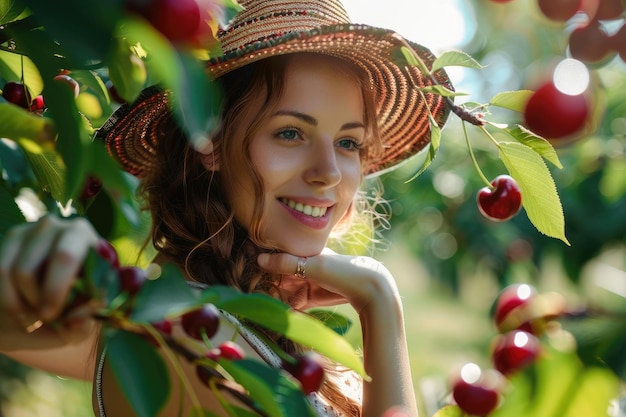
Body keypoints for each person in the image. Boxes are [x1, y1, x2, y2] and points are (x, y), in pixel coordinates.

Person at [0, 0, 452, 416]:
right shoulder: (191, 339)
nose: (329, 172)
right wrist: (380, 304)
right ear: (211, 143)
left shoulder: (206, 317)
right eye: (290, 133)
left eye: (348, 142)